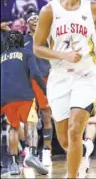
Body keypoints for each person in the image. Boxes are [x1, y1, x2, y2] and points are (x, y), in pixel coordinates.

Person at [33, 0, 96, 178]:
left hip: (86, 75)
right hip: (59, 77)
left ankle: (72, 176)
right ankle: (85, 151)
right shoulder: (49, 10)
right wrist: (62, 55)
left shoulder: (93, 8)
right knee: (67, 140)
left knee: (76, 130)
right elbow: (38, 47)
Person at [0, 31, 48, 176]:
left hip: (6, 97)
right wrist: (45, 90)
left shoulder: (1, 57)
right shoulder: (27, 53)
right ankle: (32, 153)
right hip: (25, 95)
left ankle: (13, 164)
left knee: (12, 128)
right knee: (31, 123)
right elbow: (35, 74)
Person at [24, 11, 53, 166]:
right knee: (31, 119)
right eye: (32, 18)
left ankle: (47, 151)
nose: (35, 20)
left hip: (46, 79)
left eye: (37, 18)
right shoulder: (23, 40)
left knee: (46, 115)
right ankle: (31, 150)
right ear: (27, 23)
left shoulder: (48, 37)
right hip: (28, 81)